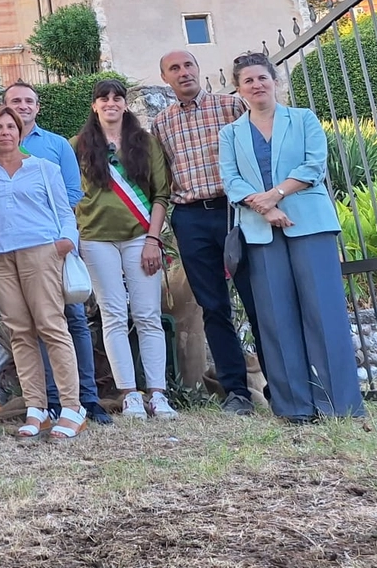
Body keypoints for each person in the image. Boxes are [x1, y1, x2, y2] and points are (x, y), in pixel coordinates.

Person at [220, 53, 365, 422]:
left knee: (324, 313)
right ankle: (294, 407)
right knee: (275, 319)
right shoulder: (231, 133)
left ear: (275, 80)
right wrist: (265, 209)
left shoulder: (303, 120)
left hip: (309, 225)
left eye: (262, 78)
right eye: (248, 80)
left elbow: (314, 164)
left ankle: (340, 406)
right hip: (260, 230)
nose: (257, 85)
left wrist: (277, 194)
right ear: (239, 89)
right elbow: (232, 180)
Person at [0, 82, 109, 424]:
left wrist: (65, 242)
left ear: (20, 132)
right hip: (1, 258)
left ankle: (71, 406)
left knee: (52, 327)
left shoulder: (43, 168)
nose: (5, 132)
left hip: (41, 252)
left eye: (10, 126)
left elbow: (66, 208)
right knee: (19, 332)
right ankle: (36, 408)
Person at [153, 49, 261, 416]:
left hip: (234, 212)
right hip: (190, 219)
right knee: (214, 307)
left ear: (198, 70)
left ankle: (282, 384)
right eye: (174, 69)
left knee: (258, 299)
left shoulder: (230, 108)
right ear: (166, 78)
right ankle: (236, 393)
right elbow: (161, 176)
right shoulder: (161, 123)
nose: (183, 73)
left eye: (188, 66)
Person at [71, 81, 177, 421]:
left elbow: (161, 194)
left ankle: (158, 393)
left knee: (147, 315)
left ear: (125, 105)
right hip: (96, 240)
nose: (111, 103)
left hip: (139, 238)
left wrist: (153, 239)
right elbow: (71, 194)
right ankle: (129, 393)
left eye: (117, 97)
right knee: (113, 314)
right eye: (104, 98)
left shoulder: (145, 143)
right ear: (94, 105)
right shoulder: (79, 146)